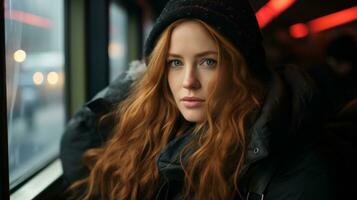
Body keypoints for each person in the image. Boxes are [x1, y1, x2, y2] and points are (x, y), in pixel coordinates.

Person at [60, 0, 336, 199]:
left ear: (244, 69)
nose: (188, 81)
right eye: (174, 63)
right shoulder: (157, 127)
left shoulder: (296, 166)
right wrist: (139, 79)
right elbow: (80, 152)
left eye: (208, 61)